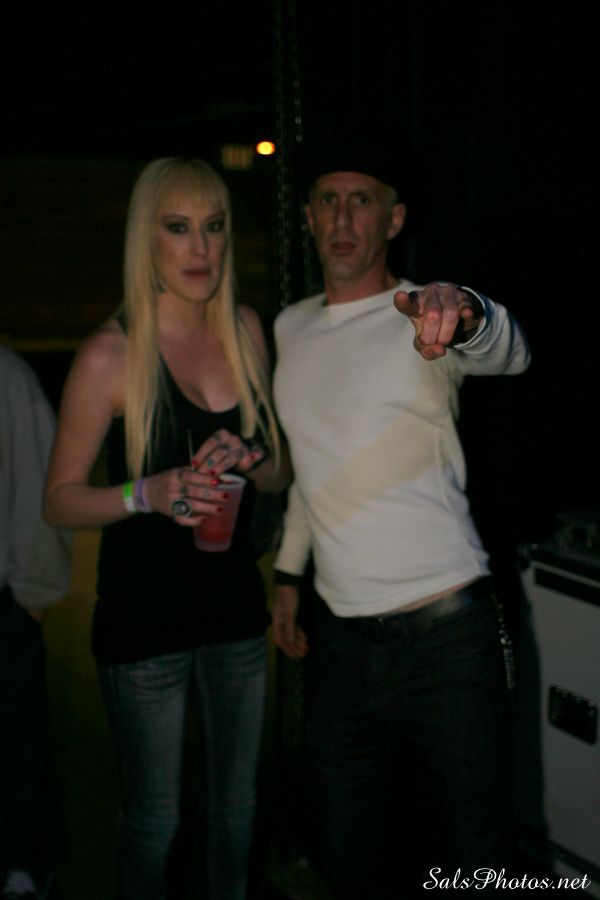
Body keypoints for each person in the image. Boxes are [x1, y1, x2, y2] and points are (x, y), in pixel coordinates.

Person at [271, 134, 530, 897]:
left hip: (447, 639)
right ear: (308, 217)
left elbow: (511, 352)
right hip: (343, 647)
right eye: (327, 200)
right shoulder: (290, 328)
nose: (342, 217)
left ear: (394, 219)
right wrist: (287, 574)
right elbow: (311, 466)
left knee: (477, 861)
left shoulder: (424, 311)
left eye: (362, 200)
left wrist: (469, 311)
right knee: (347, 855)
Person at [43, 157, 290, 900]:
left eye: (213, 227)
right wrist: (144, 492)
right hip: (143, 623)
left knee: (237, 816)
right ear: (145, 239)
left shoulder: (245, 329)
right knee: (155, 824)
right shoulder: (110, 354)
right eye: (178, 228)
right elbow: (59, 501)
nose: (200, 249)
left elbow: (281, 475)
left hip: (234, 616)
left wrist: (252, 458)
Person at [1, 343, 71, 900]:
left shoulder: (7, 376)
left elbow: (38, 479)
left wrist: (34, 595)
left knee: (14, 754)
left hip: (2, 612)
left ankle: (20, 871)